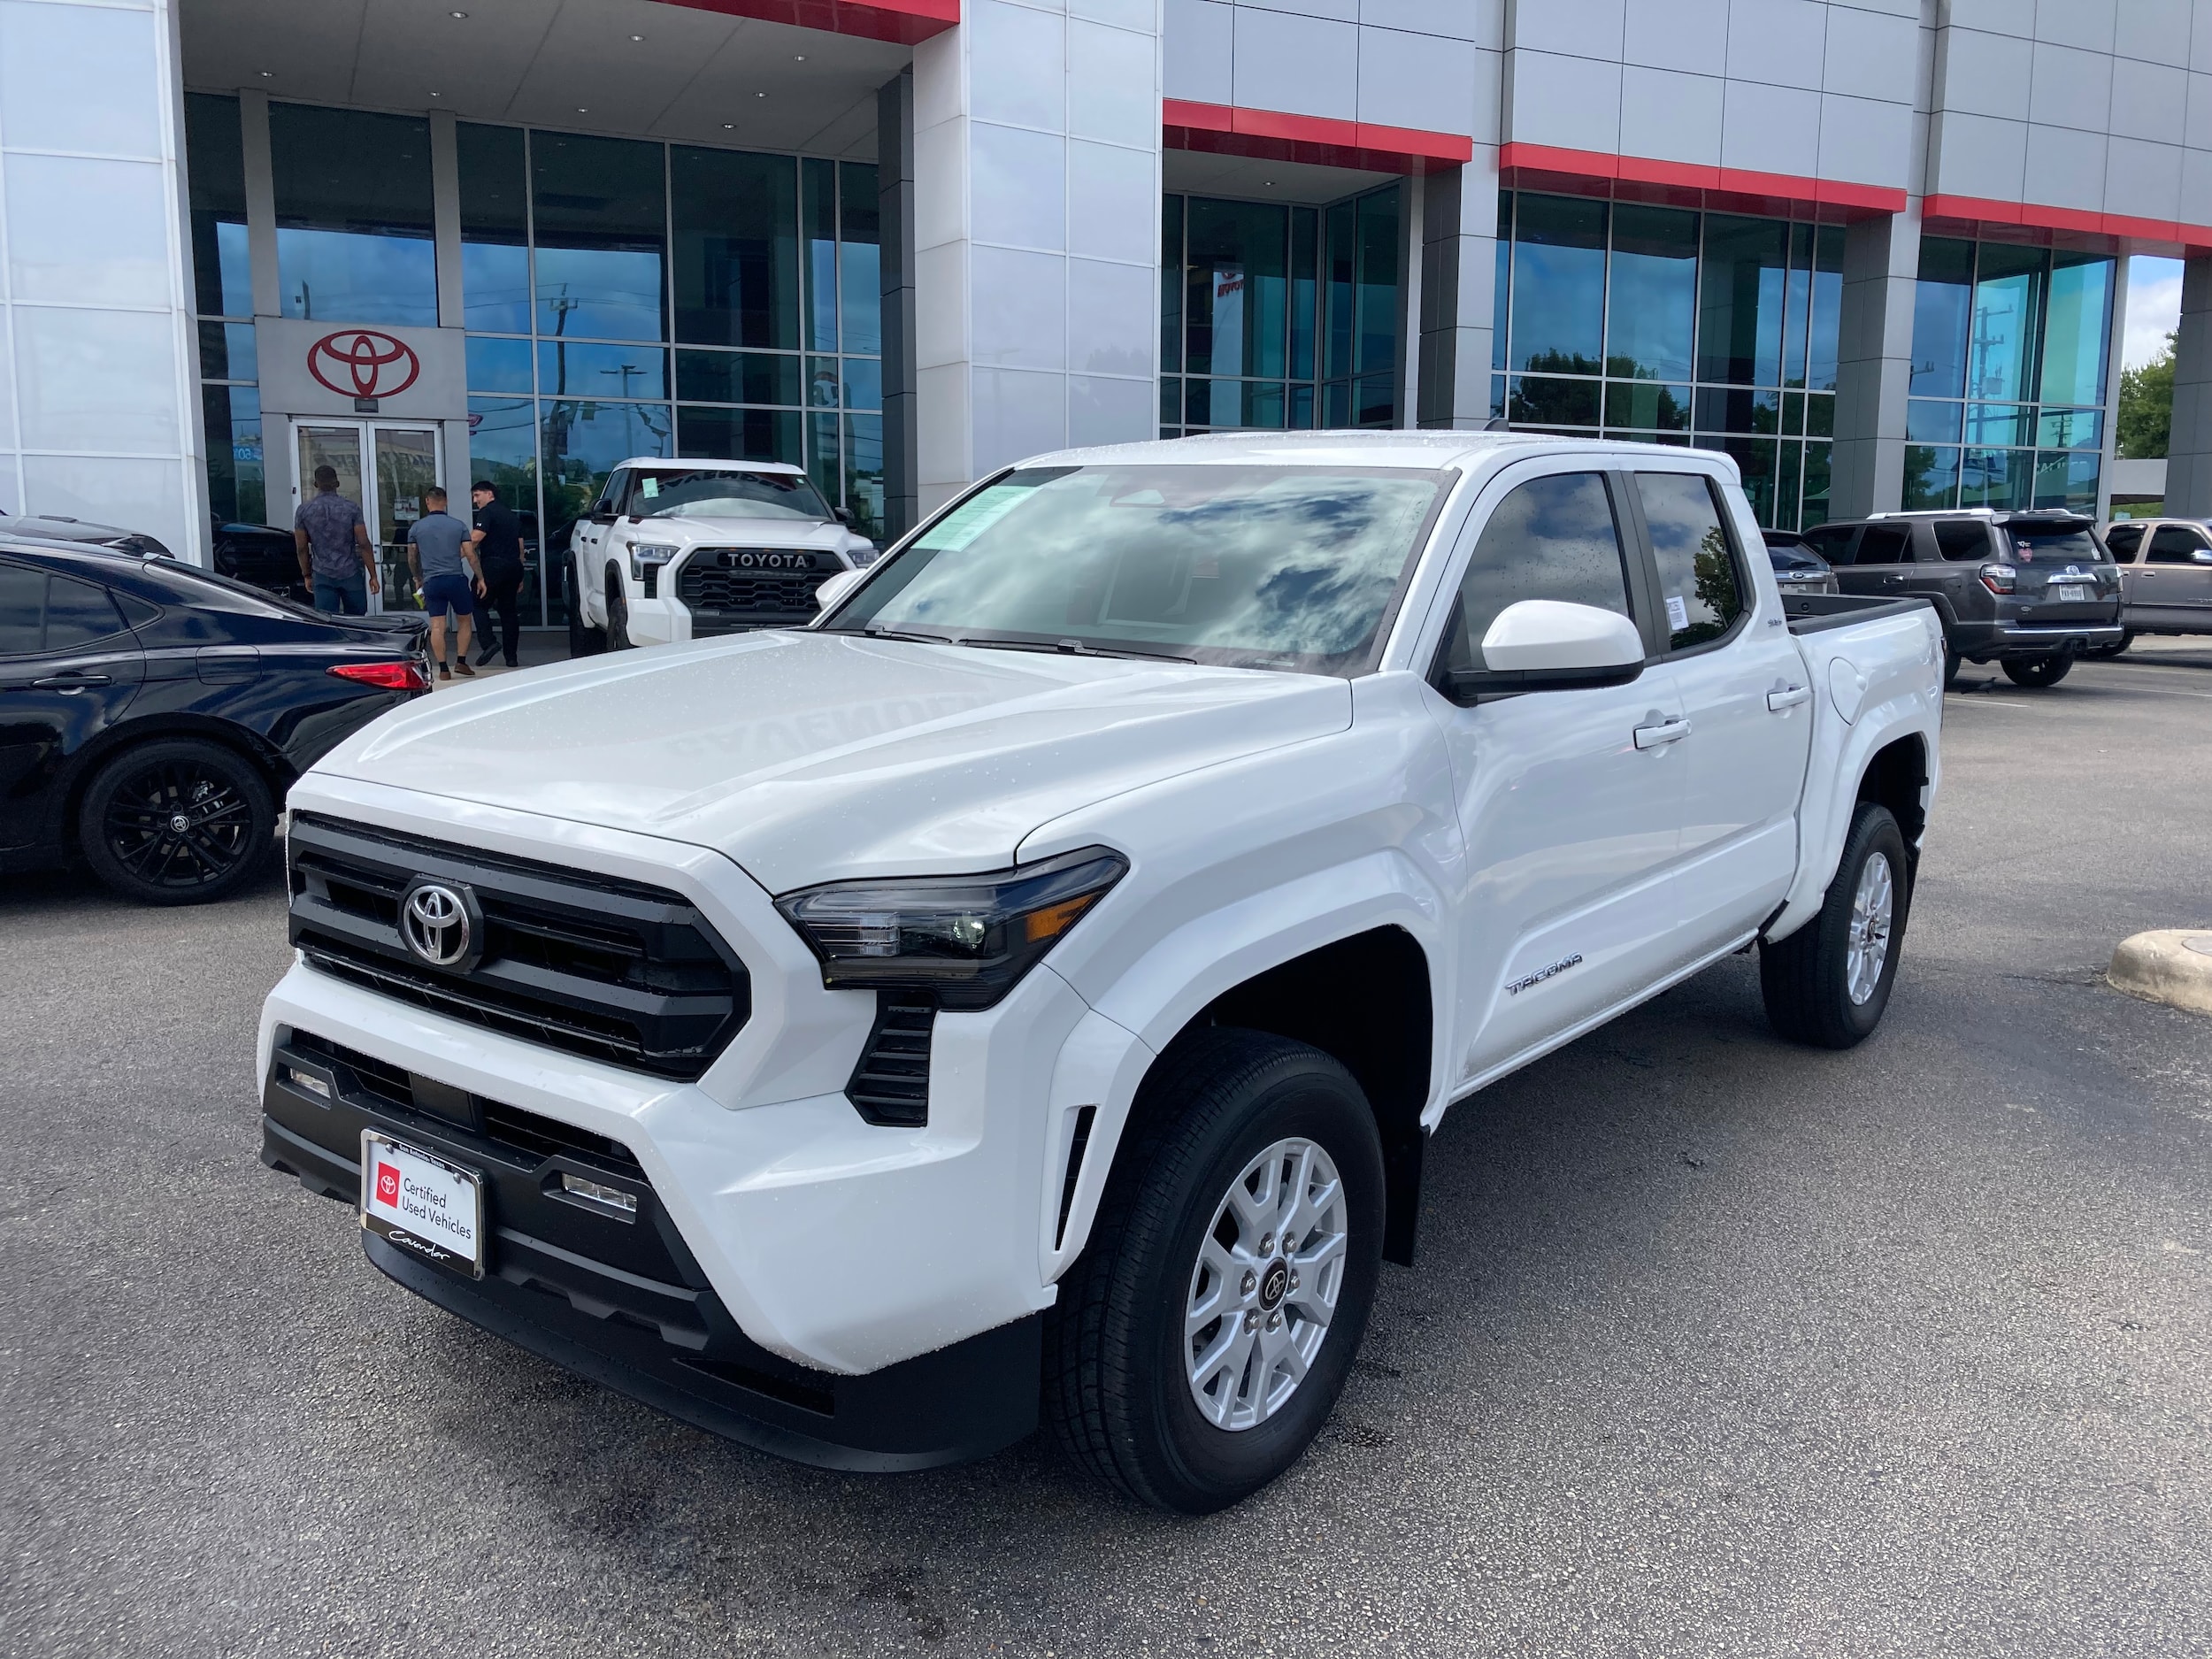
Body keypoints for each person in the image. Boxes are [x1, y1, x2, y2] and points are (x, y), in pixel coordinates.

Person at [406, 487, 486, 680]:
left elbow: (411, 557)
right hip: (455, 579)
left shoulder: (416, 528)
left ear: (427, 502)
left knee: (437, 625)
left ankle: (442, 669)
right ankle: (461, 661)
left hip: (432, 581)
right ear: (446, 502)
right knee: (465, 620)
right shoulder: (458, 526)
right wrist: (481, 578)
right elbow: (470, 555)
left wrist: (417, 577)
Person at [293, 465, 379, 614]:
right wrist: (373, 575)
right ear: (337, 484)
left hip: (322, 573)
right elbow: (364, 544)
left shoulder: (304, 510)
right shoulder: (352, 508)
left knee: (326, 621)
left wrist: (306, 574)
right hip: (350, 572)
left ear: (316, 484)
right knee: (357, 621)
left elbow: (301, 548)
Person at [469, 480, 527, 668]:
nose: (475, 500)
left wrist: (456, 555)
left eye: (477, 495)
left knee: (478, 604)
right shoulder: (511, 515)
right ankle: (511, 657)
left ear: (490, 494)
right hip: (513, 568)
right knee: (508, 612)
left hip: (493, 565)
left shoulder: (487, 512)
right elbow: (520, 547)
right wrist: (521, 575)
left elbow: (476, 538)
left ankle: (489, 643)